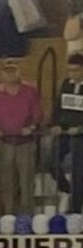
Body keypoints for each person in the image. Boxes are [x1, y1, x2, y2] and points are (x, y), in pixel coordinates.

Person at [0, 59, 42, 214]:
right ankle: (8, 216)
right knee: (5, 182)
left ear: (19, 71)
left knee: (27, 181)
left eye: (14, 70)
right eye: (7, 70)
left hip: (26, 143)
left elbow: (38, 114)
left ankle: (27, 217)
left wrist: (31, 127)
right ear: (2, 73)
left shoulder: (30, 91)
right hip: (3, 143)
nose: (11, 74)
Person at [53, 53, 83, 213]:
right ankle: (67, 189)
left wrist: (80, 128)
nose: (73, 74)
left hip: (80, 136)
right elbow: (58, 106)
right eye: (70, 70)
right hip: (64, 132)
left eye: (76, 70)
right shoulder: (66, 84)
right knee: (52, 162)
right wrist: (56, 124)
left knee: (78, 171)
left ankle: (76, 209)